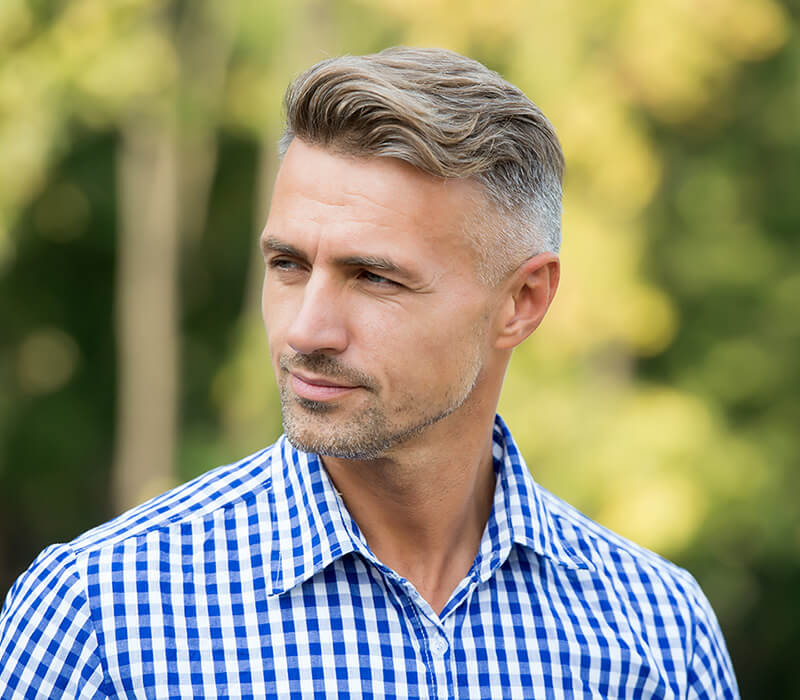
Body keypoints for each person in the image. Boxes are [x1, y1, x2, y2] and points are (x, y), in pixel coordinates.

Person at [0, 47, 738, 699]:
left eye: (375, 277)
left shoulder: (658, 635)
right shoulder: (99, 619)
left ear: (523, 300)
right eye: (288, 265)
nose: (306, 330)